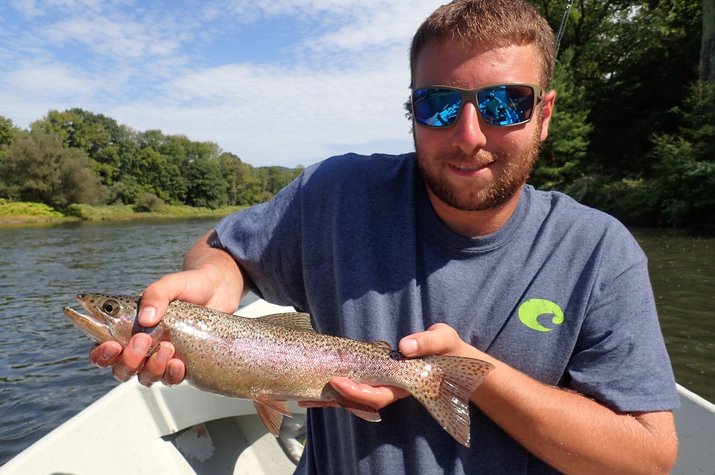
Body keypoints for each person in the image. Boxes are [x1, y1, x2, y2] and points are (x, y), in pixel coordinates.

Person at [91, 0, 680, 473]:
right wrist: (212, 277)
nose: (470, 134)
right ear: (412, 112)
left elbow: (647, 457)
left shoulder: (601, 252)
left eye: (505, 103)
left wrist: (473, 374)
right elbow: (224, 252)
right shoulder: (335, 192)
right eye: (440, 106)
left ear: (545, 115)